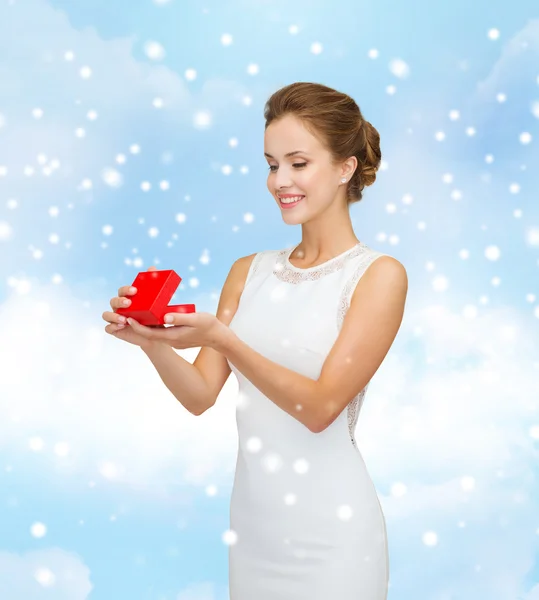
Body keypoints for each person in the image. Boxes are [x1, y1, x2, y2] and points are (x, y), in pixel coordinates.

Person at [102, 81, 408, 600]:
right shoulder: (249, 272)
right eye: (271, 164)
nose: (279, 181)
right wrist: (151, 341)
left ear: (344, 168)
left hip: (334, 539)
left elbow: (319, 408)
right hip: (255, 534)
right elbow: (201, 395)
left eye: (297, 163)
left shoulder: (378, 276)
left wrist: (224, 339)